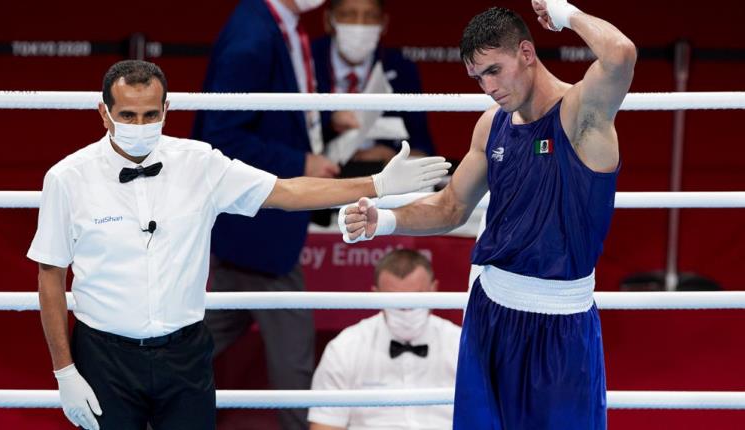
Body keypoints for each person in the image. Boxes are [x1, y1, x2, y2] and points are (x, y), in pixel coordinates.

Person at [28, 60, 450, 430]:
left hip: (185, 354)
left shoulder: (200, 163)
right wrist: (64, 370)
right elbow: (50, 276)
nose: (140, 126)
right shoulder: (67, 178)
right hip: (104, 356)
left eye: (150, 115)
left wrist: (376, 184)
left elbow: (288, 192)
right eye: (127, 115)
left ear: (166, 111)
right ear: (104, 113)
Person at [339, 2, 636, 429]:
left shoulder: (579, 117)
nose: (487, 87)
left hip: (560, 325)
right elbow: (451, 207)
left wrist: (564, 12)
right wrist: (384, 220)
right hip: (490, 312)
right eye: (478, 78)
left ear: (527, 54)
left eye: (494, 70)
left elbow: (621, 54)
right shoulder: (491, 126)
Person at [191, 0, 338, 428]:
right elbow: (223, 137)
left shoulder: (275, 22)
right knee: (293, 361)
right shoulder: (252, 36)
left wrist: (324, 129)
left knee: (200, 337)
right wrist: (301, 163)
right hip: (257, 225)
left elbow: (274, 116)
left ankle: (136, 404)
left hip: (253, 229)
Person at [308, 249, 460, 430]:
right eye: (395, 299)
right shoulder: (344, 347)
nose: (406, 309)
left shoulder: (461, 345)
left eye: (416, 297)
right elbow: (326, 424)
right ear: (375, 295)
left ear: (433, 290)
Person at [312, 0, 434, 163]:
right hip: (319, 175)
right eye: (348, 15)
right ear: (329, 20)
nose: (359, 24)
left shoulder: (401, 67)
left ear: (383, 23)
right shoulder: (309, 61)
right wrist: (330, 121)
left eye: (370, 16)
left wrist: (392, 157)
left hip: (380, 176)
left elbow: (423, 148)